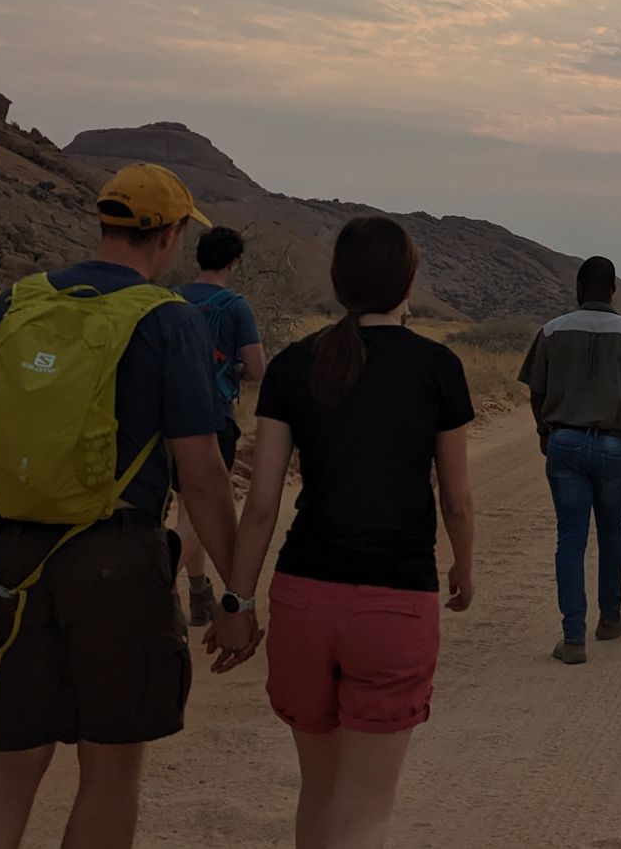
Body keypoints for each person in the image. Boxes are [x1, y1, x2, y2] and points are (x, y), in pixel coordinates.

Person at [0, 163, 259, 849]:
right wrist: (237, 598)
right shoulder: (168, 321)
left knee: (7, 764)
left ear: (106, 221)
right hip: (116, 557)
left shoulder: (13, 302)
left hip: (11, 555)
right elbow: (201, 475)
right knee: (110, 768)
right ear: (170, 234)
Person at [226, 216, 477, 849]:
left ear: (339, 281)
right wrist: (464, 565)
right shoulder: (437, 367)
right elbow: (457, 499)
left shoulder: (293, 366)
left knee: (319, 794)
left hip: (304, 596)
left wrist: (237, 601)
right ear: (409, 280)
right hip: (394, 603)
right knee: (364, 812)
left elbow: (260, 505)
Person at [518, 256, 621, 665]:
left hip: (565, 442)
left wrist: (543, 430)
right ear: (613, 291)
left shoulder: (552, 331)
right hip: (614, 446)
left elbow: (536, 391)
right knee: (611, 532)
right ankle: (610, 616)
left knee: (570, 537)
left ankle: (573, 637)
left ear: (578, 288)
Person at [175, 225, 267, 627]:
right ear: (233, 262)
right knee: (200, 512)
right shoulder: (234, 306)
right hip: (214, 416)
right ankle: (161, 584)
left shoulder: (170, 299)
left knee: (184, 506)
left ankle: (198, 594)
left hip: (166, 417)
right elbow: (258, 369)